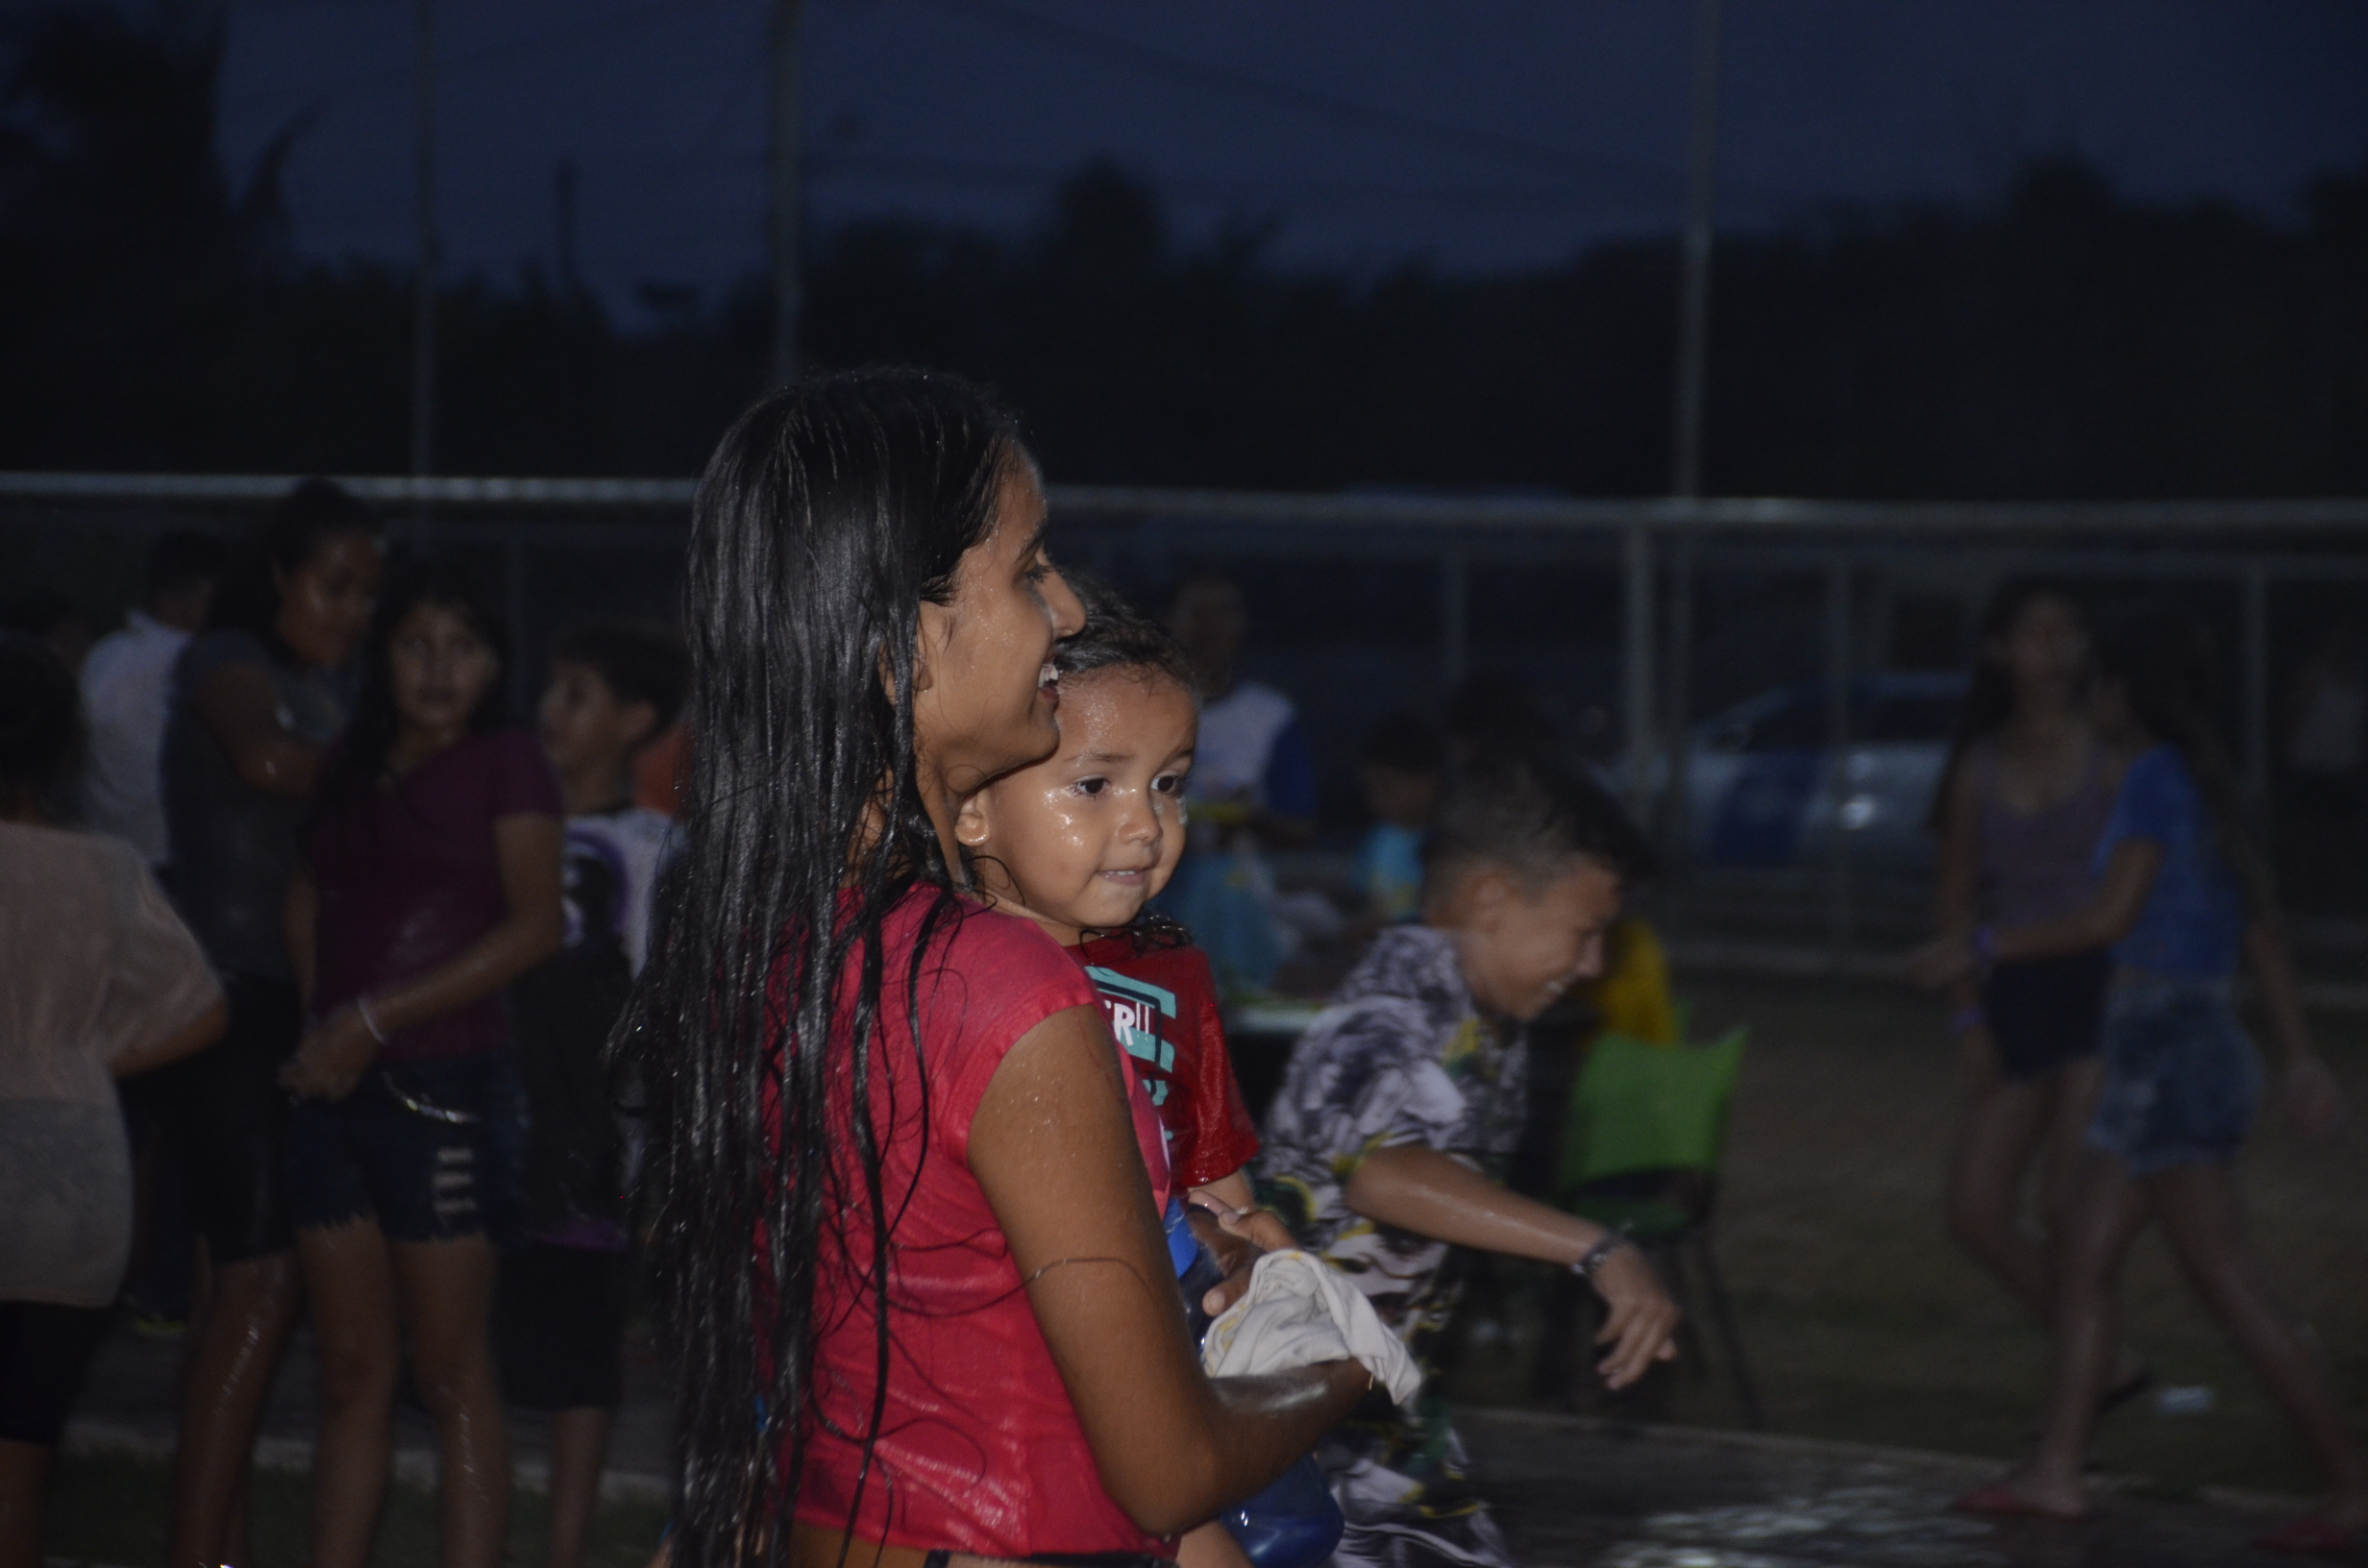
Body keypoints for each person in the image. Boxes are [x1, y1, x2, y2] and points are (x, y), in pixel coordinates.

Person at [623, 372, 1377, 1568]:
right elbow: (1167, 1468)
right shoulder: (996, 987)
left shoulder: (775, 942)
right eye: (1029, 572)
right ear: (897, 642)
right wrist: (1340, 1356)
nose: (1068, 610)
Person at [1912, 613, 2365, 1550]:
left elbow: (2108, 915)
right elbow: (2262, 932)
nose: (2085, 695)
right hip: (2171, 1037)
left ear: (2122, 691)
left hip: (2164, 1041)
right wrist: (2299, 1054)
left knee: (2224, 1274)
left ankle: (2352, 1483)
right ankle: (2057, 1474)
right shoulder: (2200, 780)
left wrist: (1983, 943)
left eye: (2096, 682)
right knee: (2084, 1254)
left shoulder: (2153, 776)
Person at [1255, 751, 1682, 1568]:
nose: (1594, 965)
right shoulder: (1396, 1010)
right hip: (1288, 1426)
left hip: (1378, 1430)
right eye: (1584, 933)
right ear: (1492, 899)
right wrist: (1599, 1249)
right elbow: (1385, 1173)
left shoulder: (1481, 1023)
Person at [281, 560, 564, 1568]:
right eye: (416, 644)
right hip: (330, 1089)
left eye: (463, 647)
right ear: (383, 656)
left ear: (494, 662)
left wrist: (369, 1019)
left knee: (446, 1370)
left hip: (445, 1088)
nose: (440, 668)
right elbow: (312, 889)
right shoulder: (349, 763)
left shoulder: (507, 759)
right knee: (351, 1369)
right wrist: (324, 1025)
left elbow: (538, 925)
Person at [155, 477, 383, 1568]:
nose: (352, 612)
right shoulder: (226, 662)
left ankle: (218, 1544)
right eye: (335, 586)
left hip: (286, 1008)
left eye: (367, 593)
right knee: (259, 1286)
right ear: (281, 576)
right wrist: (417, 773)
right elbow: (258, 759)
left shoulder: (325, 693)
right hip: (224, 996)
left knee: (231, 1295)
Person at [0, 635, 228, 1568]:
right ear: (63, 753)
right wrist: (82, 1064)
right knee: (22, 1462)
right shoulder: (107, 866)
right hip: (74, 1185)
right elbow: (204, 1009)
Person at [497, 624, 687, 1568]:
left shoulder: (654, 850)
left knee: (579, 1353)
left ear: (634, 720)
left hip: (596, 1136)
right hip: (493, 1112)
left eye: (576, 695)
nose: (549, 713)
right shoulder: (502, 828)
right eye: (553, 690)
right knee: (474, 1348)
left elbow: (659, 1000)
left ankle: (564, 1549)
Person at [1925, 579, 2142, 1403]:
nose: (2055, 650)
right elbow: (1953, 898)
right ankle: (2104, 1359)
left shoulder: (2113, 753)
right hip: (2014, 987)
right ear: (1998, 652)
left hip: (2099, 988)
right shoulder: (1979, 765)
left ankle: (2080, 1395)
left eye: (2069, 631)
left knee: (2068, 1205)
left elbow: (2129, 898)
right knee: (1976, 1209)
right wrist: (1968, 1016)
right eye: (2036, 633)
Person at [81, 529, 229, 869]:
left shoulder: (103, 654)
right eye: (216, 600)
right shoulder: (194, 658)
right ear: (170, 600)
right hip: (169, 860)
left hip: (105, 855)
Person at [1353, 712, 1443, 926]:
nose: (1376, 800)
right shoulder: (1377, 840)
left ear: (1426, 783)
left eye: (1387, 788)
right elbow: (1365, 900)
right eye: (1371, 789)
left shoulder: (1448, 846)